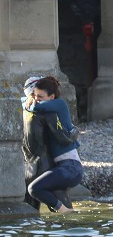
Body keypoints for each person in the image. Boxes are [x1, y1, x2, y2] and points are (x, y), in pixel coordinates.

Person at [23, 76, 81, 213]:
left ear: (52, 96)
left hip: (71, 168)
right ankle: (64, 211)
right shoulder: (48, 109)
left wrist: (29, 101)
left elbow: (35, 107)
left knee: (34, 189)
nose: (36, 98)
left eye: (40, 96)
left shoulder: (60, 104)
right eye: (35, 95)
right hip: (62, 167)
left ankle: (65, 211)